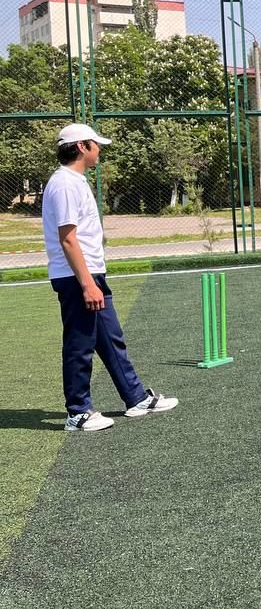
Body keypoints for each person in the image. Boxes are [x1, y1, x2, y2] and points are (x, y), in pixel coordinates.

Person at [42, 124, 178, 432]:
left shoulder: (74, 181)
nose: (99, 149)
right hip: (78, 277)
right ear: (82, 147)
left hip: (89, 274)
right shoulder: (65, 183)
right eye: (96, 144)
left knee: (111, 338)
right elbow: (67, 238)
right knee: (80, 344)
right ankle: (78, 412)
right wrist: (87, 284)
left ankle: (136, 398)